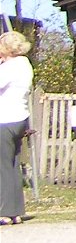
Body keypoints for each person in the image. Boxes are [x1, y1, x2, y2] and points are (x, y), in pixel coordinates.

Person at [0, 29, 34, 225]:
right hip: (20, 118)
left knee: (3, 166)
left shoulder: (8, 68)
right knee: (13, 165)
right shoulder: (24, 65)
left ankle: (4, 211)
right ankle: (16, 211)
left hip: (5, 119)